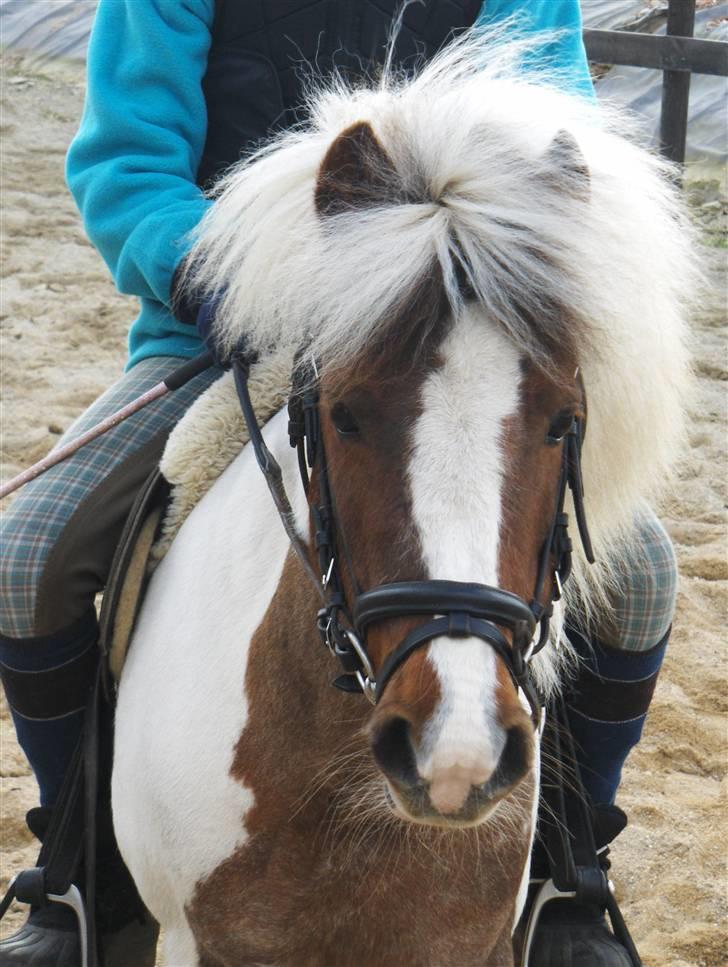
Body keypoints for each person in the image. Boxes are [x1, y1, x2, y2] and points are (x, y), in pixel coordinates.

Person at [0, 2, 676, 964]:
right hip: (228, 328)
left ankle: (568, 879)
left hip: (463, 343)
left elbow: (551, 159)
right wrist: (246, 282)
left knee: (641, 574)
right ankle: (78, 879)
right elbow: (126, 170)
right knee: (31, 553)